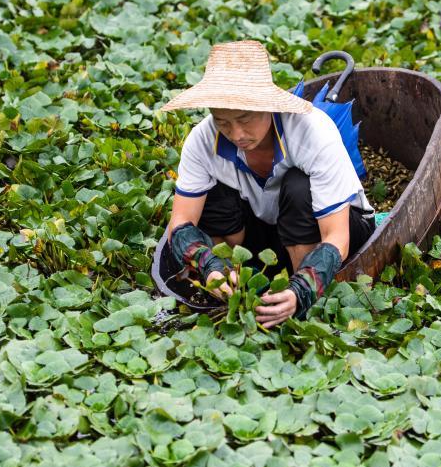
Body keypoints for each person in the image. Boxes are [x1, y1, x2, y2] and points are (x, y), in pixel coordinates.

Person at [161, 40, 375, 327]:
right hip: (267, 226)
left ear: (268, 106)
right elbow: (180, 223)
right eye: (223, 121)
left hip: (337, 227)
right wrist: (208, 265)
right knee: (211, 193)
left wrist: (301, 290)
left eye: (245, 118)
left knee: (299, 187)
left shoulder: (313, 131)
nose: (237, 134)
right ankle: (232, 281)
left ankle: (295, 295)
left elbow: (337, 238)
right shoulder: (202, 140)